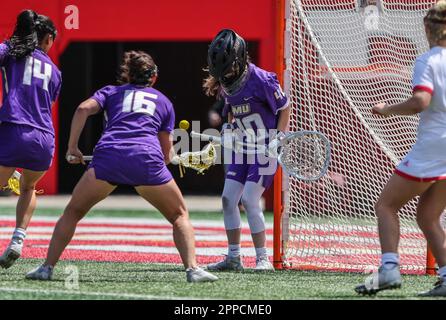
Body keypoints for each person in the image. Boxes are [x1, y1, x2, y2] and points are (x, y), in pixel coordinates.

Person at [26, 50, 218, 283]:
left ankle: (47, 268)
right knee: (179, 215)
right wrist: (171, 156)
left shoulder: (110, 92)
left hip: (109, 157)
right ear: (153, 78)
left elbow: (82, 109)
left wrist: (72, 148)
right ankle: (192, 269)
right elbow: (166, 154)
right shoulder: (164, 101)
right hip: (145, 159)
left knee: (73, 212)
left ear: (128, 76)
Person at [355, 1, 446, 297]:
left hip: (433, 147)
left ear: (427, 28)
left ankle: (390, 268)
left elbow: (420, 101)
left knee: (386, 205)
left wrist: (386, 109)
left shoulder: (429, 60)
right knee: (427, 217)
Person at [203, 29, 290, 272]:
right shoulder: (227, 83)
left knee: (250, 199)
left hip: (265, 148)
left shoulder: (262, 80)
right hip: (242, 148)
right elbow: (231, 109)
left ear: (240, 61)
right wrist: (229, 129)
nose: (225, 75)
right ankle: (234, 257)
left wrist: (278, 138)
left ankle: (262, 258)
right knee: (228, 199)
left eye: (228, 69)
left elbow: (285, 108)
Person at [0, 10, 60, 268]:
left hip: (13, 129)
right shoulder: (56, 72)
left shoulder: (10, 53)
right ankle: (18, 238)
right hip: (44, 139)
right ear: (47, 39)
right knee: (28, 187)